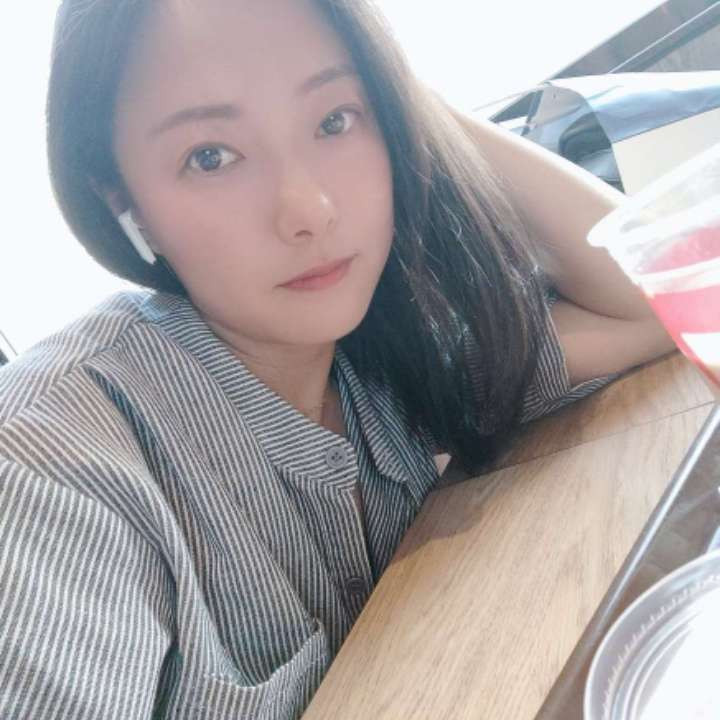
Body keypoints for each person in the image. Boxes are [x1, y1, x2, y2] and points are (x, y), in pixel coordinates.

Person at [0, 0, 674, 718]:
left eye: (334, 120)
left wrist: (400, 96)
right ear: (125, 204)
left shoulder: (379, 363)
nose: (310, 210)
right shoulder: (50, 464)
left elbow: (654, 300)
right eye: (210, 156)